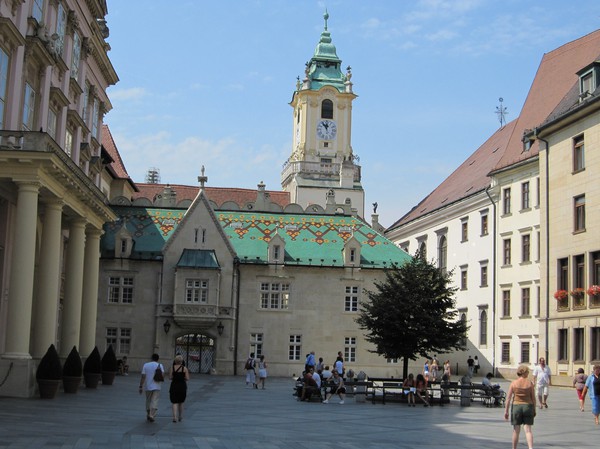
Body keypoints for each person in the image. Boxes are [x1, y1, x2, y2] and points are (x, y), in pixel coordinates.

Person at [504, 365, 536, 449]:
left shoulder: (513, 383)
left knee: (516, 430)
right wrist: (534, 409)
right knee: (528, 430)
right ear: (524, 373)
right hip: (528, 406)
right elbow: (533, 398)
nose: (528, 373)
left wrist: (506, 411)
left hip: (516, 406)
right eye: (528, 372)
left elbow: (508, 398)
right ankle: (530, 448)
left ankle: (514, 448)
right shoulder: (530, 383)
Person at [139, 353, 164, 422]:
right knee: (154, 400)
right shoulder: (160, 365)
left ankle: (148, 413)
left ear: (151, 358)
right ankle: (152, 415)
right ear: (158, 359)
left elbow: (143, 376)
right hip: (157, 386)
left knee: (148, 400)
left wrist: (141, 386)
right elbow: (162, 376)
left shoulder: (146, 365)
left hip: (148, 386)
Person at [169, 355, 190, 422]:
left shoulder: (172, 368)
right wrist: (182, 377)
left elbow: (170, 377)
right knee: (181, 402)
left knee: (174, 402)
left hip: (174, 386)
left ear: (175, 361)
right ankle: (180, 416)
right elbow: (187, 378)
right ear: (181, 361)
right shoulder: (184, 368)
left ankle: (175, 417)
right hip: (182, 387)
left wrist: (175, 377)